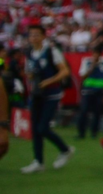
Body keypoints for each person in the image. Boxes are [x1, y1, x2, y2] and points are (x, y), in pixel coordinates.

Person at [20, 24, 75, 173]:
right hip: (37, 94)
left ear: (43, 36)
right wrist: (30, 76)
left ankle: (65, 149)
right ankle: (38, 161)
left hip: (51, 94)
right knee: (35, 129)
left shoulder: (51, 51)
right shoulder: (29, 53)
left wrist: (48, 81)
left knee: (43, 127)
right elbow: (28, 72)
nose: (33, 38)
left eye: (37, 35)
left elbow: (64, 71)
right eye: (31, 35)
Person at [77, 47, 103, 139]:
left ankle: (94, 132)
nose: (96, 56)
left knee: (97, 112)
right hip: (87, 90)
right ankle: (81, 132)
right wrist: (92, 67)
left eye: (97, 54)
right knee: (84, 111)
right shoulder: (87, 62)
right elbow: (82, 75)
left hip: (99, 91)